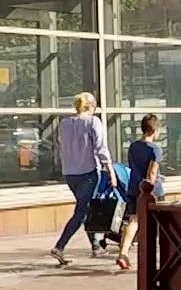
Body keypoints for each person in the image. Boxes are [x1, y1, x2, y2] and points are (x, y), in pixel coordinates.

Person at [50, 92, 114, 267]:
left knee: (84, 207)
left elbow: (60, 144)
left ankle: (95, 246)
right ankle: (59, 246)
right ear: (91, 106)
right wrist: (110, 170)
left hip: (70, 173)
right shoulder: (93, 122)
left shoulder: (64, 123)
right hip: (88, 172)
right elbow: (101, 147)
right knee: (82, 212)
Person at [114, 115, 165, 271]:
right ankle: (153, 256)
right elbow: (151, 173)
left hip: (134, 187)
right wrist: (151, 186)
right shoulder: (155, 149)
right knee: (157, 224)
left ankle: (123, 253)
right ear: (154, 130)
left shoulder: (133, 146)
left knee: (133, 221)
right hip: (151, 191)